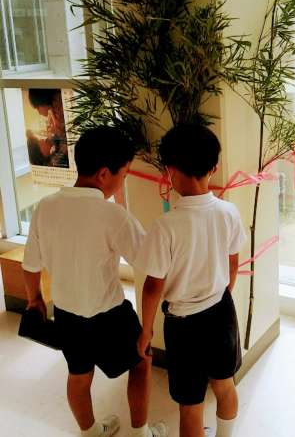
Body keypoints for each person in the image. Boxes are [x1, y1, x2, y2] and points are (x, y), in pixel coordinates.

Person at [22, 126, 168, 437]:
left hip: (67, 313)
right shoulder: (113, 215)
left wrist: (35, 299)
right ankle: (140, 433)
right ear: (104, 174)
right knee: (141, 362)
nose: (122, 182)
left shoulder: (45, 207)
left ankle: (91, 433)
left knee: (79, 375)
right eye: (123, 175)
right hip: (109, 314)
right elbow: (150, 262)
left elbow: (30, 265)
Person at [137, 124, 247, 437]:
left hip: (183, 324)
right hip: (221, 312)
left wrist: (146, 330)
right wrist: (219, 295)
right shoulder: (228, 212)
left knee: (190, 405)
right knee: (225, 385)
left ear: (170, 171)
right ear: (214, 168)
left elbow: (153, 286)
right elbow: (233, 263)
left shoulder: (165, 226)